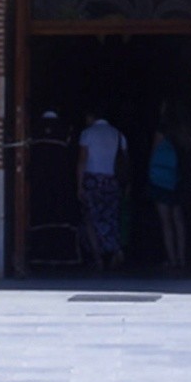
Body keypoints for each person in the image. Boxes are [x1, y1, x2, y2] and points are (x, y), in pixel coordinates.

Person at [75, 109, 129, 272]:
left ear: (92, 116)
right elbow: (125, 162)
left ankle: (97, 256)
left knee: (90, 219)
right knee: (111, 218)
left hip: (92, 180)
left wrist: (79, 185)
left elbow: (82, 160)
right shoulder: (118, 134)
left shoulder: (87, 134)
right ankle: (116, 250)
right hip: (112, 181)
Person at [146, 110, 189, 271]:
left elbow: (154, 153)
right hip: (177, 178)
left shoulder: (161, 131)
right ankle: (182, 259)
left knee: (166, 222)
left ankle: (172, 259)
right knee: (179, 220)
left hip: (161, 180)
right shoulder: (183, 130)